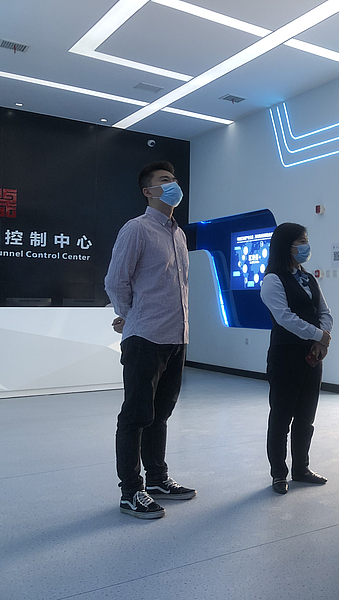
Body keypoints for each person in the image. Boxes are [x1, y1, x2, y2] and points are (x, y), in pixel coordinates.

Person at [105, 161, 195, 519]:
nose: (173, 185)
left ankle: (157, 479)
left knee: (161, 414)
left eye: (174, 179)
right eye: (164, 180)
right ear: (148, 191)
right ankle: (131, 491)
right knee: (136, 415)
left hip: (176, 337)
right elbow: (116, 281)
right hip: (145, 338)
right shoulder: (137, 229)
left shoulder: (178, 234)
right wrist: (133, 316)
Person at [260, 223, 332, 495]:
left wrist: (322, 337)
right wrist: (318, 335)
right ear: (286, 246)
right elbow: (285, 318)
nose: (306, 245)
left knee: (306, 417)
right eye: (301, 241)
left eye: (306, 240)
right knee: (281, 418)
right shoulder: (273, 280)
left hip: (312, 356)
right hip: (285, 357)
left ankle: (301, 468)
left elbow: (324, 311)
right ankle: (279, 474)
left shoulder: (308, 278)